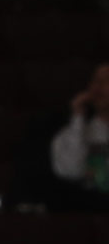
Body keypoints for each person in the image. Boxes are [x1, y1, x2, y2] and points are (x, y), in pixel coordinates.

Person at [48, 64, 109, 200]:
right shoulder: (70, 133)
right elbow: (71, 171)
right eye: (96, 81)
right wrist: (78, 117)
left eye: (106, 81)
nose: (99, 87)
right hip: (87, 208)